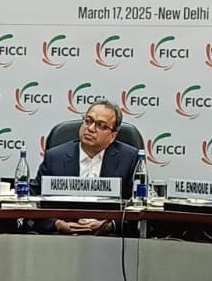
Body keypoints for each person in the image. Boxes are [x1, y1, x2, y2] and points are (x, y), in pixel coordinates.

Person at [33, 100, 141, 235]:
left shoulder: (130, 159)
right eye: (88, 121)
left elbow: (138, 206)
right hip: (62, 238)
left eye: (101, 125)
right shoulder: (55, 157)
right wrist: (58, 224)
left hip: (110, 239)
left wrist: (110, 225)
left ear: (112, 136)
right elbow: (33, 201)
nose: (90, 128)